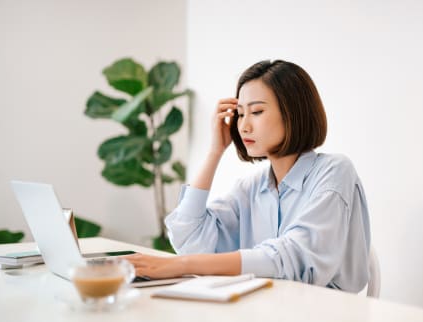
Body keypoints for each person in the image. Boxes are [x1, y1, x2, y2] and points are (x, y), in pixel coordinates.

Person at [126, 60, 371, 292]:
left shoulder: (335, 171)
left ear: (292, 113)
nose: (243, 126)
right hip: (265, 307)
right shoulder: (252, 187)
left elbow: (296, 259)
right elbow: (189, 239)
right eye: (240, 114)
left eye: (256, 112)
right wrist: (214, 152)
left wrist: (182, 266)